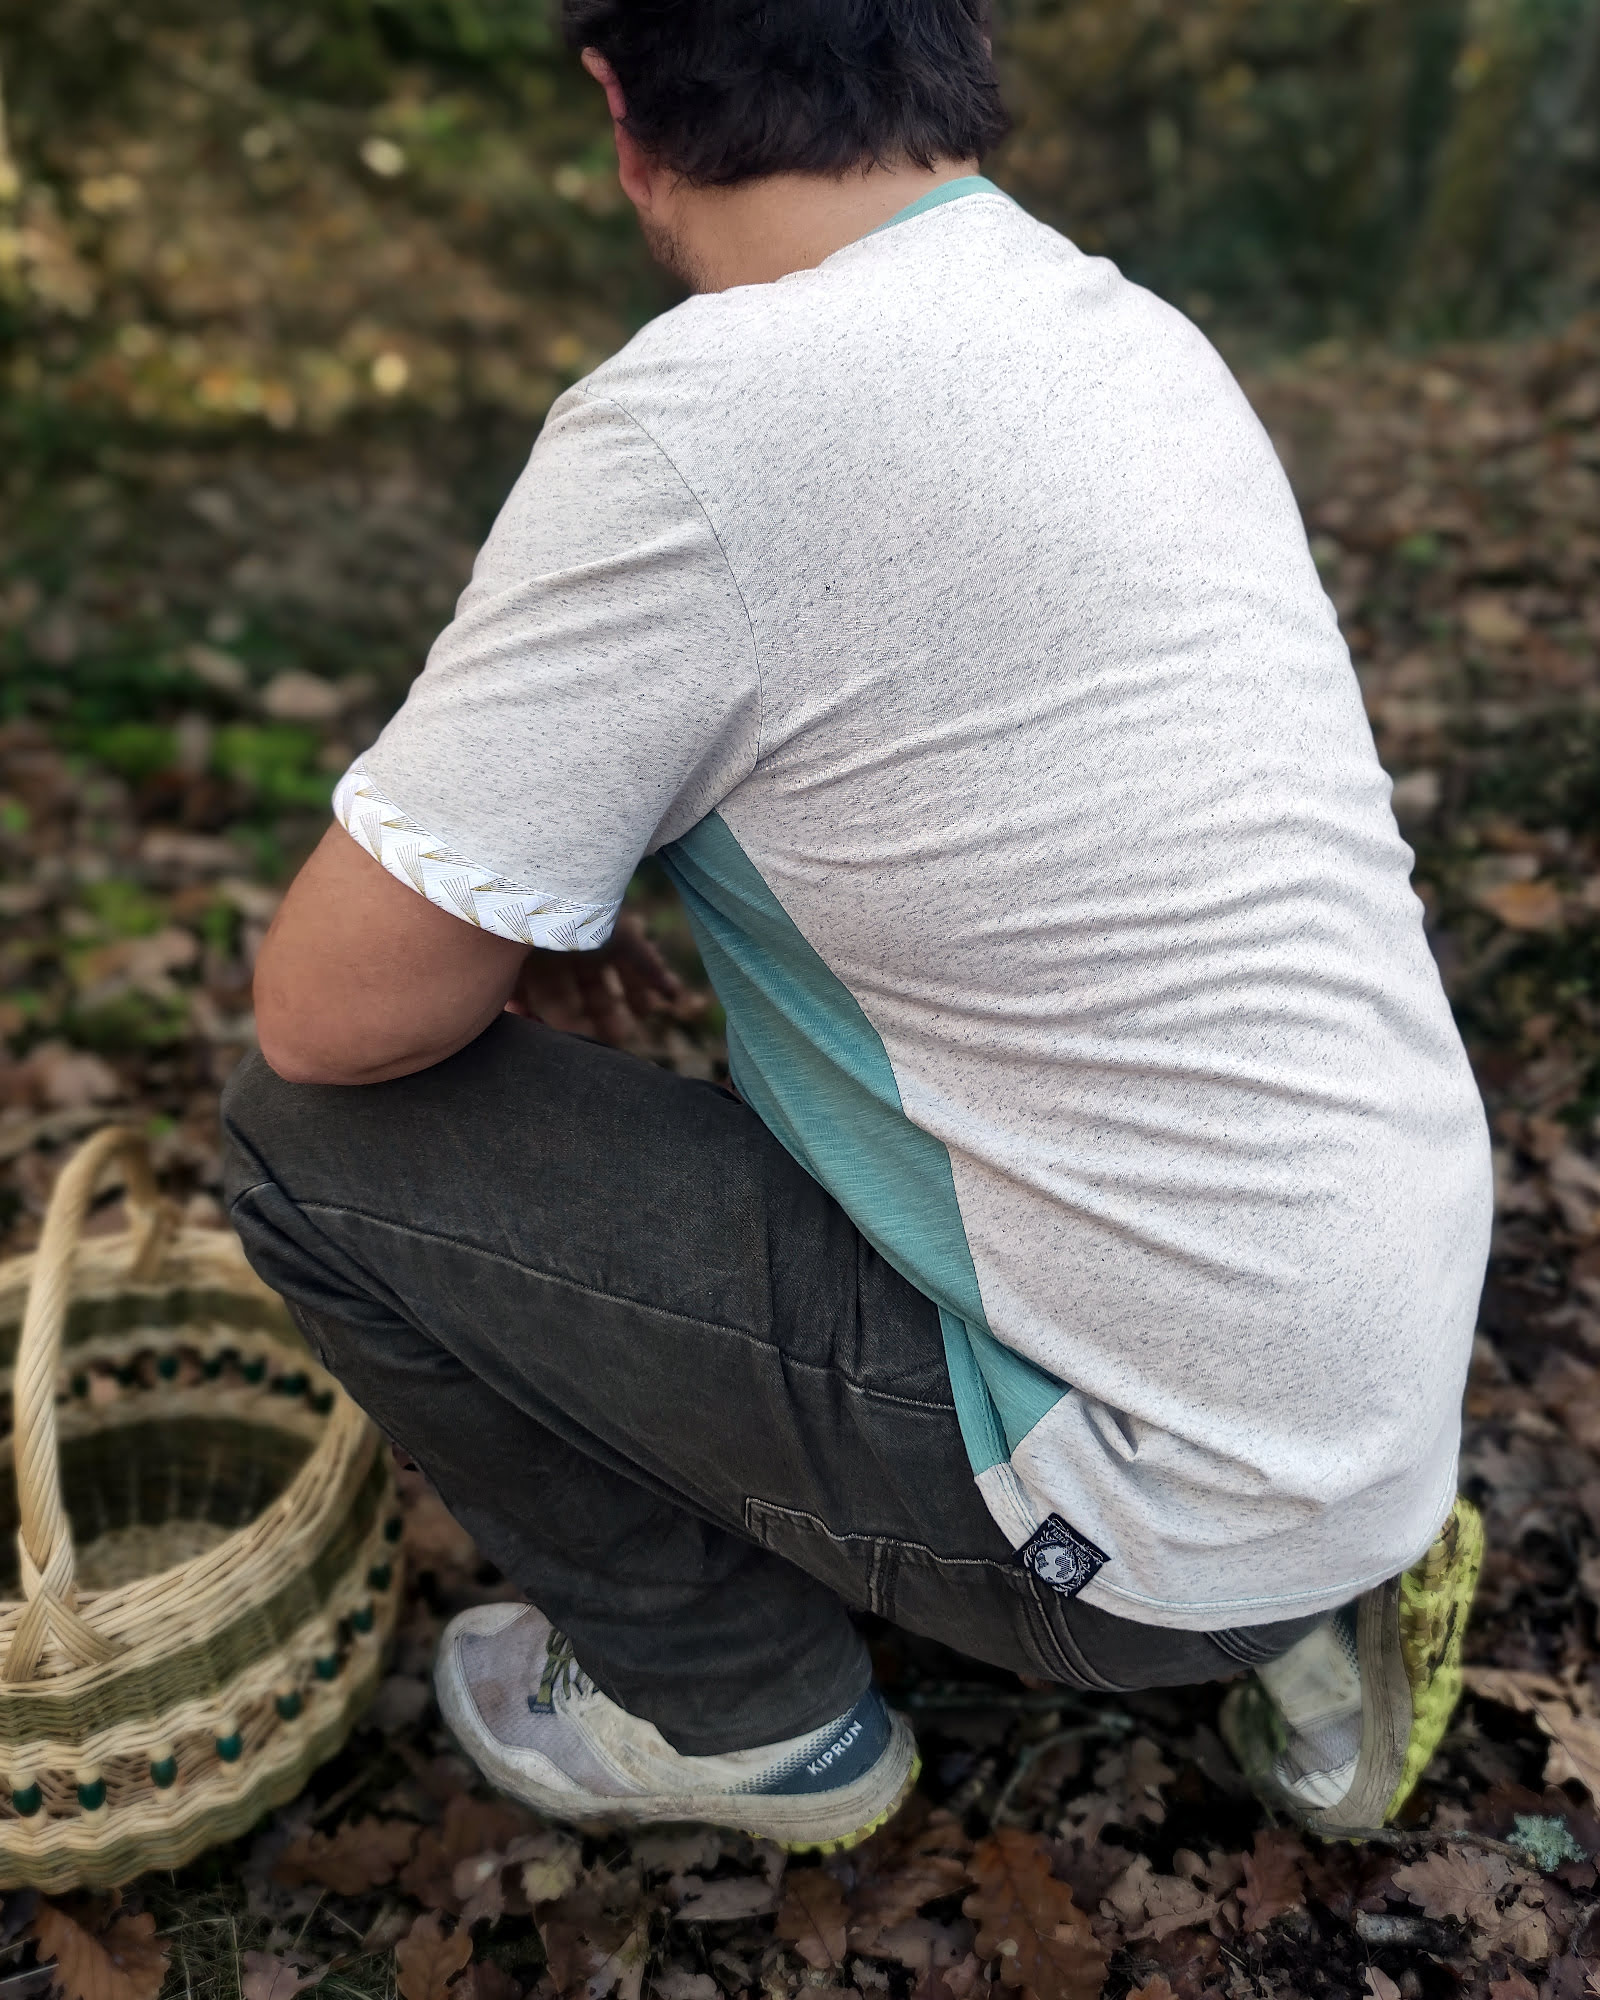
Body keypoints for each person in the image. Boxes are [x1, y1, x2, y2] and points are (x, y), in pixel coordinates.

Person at [221, 0, 1493, 1852]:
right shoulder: (1123, 332)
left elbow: (331, 1019)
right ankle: (1294, 1585)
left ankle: (745, 1720)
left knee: (305, 1135)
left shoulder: (703, 420)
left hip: (1143, 1506)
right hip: (1367, 1367)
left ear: (616, 99)